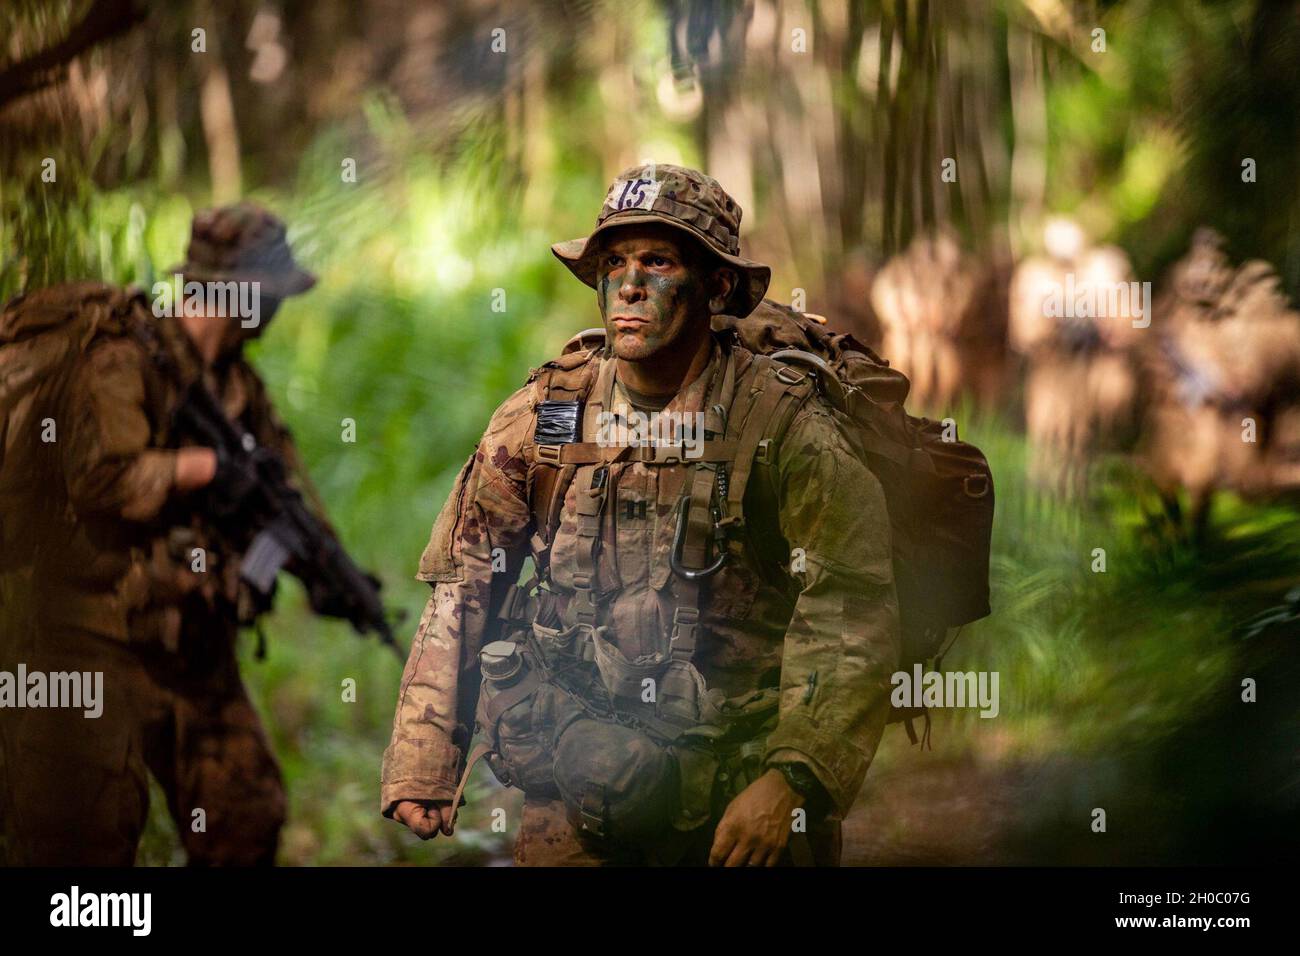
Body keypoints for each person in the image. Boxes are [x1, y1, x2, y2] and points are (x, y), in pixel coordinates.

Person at [382, 164, 901, 866]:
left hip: (739, 801)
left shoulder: (778, 421)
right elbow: (467, 583)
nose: (629, 284)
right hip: (577, 786)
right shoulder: (547, 416)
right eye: (615, 263)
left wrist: (792, 779)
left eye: (657, 262)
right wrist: (425, 759)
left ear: (716, 285)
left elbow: (850, 601)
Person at [0, 203, 326, 865]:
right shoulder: (120, 360)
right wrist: (198, 468)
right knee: (83, 841)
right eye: (271, 297)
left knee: (246, 814)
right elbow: (101, 481)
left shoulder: (237, 386)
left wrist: (303, 559)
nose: (276, 312)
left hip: (190, 644)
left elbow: (285, 494)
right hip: (91, 642)